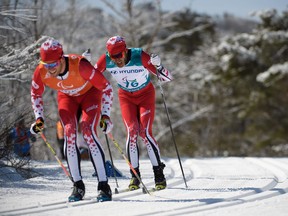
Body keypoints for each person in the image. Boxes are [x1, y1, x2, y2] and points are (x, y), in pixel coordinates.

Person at [30, 38, 114, 202]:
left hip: (90, 95)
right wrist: (39, 118)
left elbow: (106, 88)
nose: (50, 70)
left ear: (61, 59)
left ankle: (103, 185)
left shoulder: (80, 65)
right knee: (69, 132)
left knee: (88, 130)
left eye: (53, 65)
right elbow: (35, 94)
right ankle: (78, 185)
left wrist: (105, 115)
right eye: (46, 65)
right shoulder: (41, 70)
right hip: (67, 98)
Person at [93, 35, 173, 191]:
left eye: (119, 56)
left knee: (145, 132)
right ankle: (135, 177)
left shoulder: (139, 55)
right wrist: (83, 64)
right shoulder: (106, 60)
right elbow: (91, 77)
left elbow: (166, 78)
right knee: (132, 132)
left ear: (125, 50)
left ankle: (159, 174)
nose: (116, 60)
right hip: (126, 97)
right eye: (112, 57)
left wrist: (159, 66)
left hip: (145, 95)